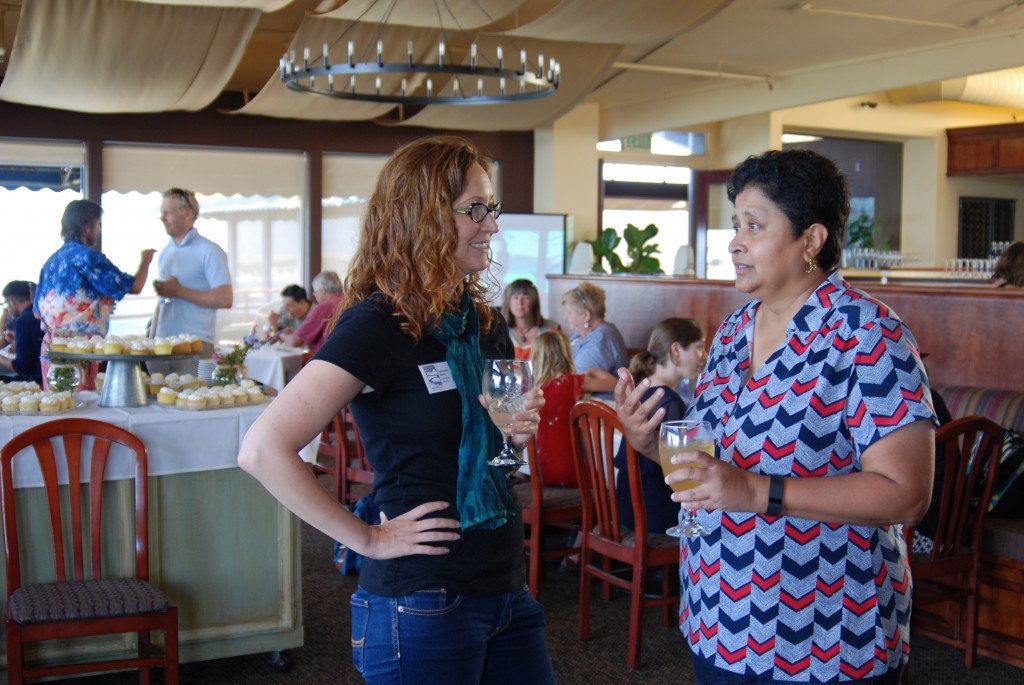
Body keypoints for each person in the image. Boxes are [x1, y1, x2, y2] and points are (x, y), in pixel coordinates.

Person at [238, 135, 556, 685]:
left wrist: (514, 441)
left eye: (492, 208)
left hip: (505, 583)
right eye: (477, 209)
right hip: (421, 598)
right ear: (424, 217)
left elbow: (498, 464)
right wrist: (365, 539)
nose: (493, 225)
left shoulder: (482, 323)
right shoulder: (377, 324)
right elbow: (262, 450)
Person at [615, 149, 936, 685]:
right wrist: (648, 441)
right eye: (735, 224)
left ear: (811, 240)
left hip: (826, 635)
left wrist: (757, 491)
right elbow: (710, 468)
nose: (735, 241)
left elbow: (907, 495)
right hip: (718, 616)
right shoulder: (735, 329)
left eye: (754, 225)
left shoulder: (867, 333)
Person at [35, 199, 156, 389]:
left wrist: (96, 305)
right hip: (79, 350)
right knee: (81, 410)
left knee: (58, 409)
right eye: (98, 225)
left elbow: (37, 311)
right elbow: (135, 286)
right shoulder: (88, 258)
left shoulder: (51, 263)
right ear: (86, 228)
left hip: (50, 347)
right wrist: (146, 261)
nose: (99, 231)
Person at [614, 317, 705, 533]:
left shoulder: (641, 392)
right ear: (676, 350)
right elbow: (680, 468)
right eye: (699, 347)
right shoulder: (669, 400)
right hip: (655, 513)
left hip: (626, 507)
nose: (705, 356)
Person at [152, 187, 232, 358]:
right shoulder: (166, 251)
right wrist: (152, 338)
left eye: (168, 213)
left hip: (195, 345)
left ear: (188, 213)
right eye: (161, 213)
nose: (162, 218)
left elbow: (225, 299)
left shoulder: (209, 250)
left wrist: (179, 291)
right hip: (162, 344)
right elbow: (162, 299)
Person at [531, 329, 614, 487]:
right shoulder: (576, 381)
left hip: (541, 474)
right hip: (573, 472)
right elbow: (613, 384)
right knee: (610, 483)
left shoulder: (534, 389)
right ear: (566, 353)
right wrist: (595, 371)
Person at [561, 281, 628, 401]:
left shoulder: (601, 340)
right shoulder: (582, 333)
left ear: (586, 315)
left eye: (570, 312)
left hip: (598, 410)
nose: (565, 317)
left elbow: (575, 379)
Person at [281, 270, 344, 355]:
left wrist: (282, 335)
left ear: (324, 291)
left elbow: (294, 342)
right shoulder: (350, 301)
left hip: (325, 360)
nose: (315, 296)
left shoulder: (323, 308)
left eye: (315, 292)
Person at [500, 279, 559, 360]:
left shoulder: (551, 329)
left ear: (534, 302)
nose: (520, 302)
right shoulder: (500, 331)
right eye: (515, 297)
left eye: (526, 297)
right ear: (508, 302)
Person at [0, 281, 45, 384]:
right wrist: (16, 342)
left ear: (12, 301)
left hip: (36, 382)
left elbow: (22, 367)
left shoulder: (23, 321)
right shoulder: (39, 313)